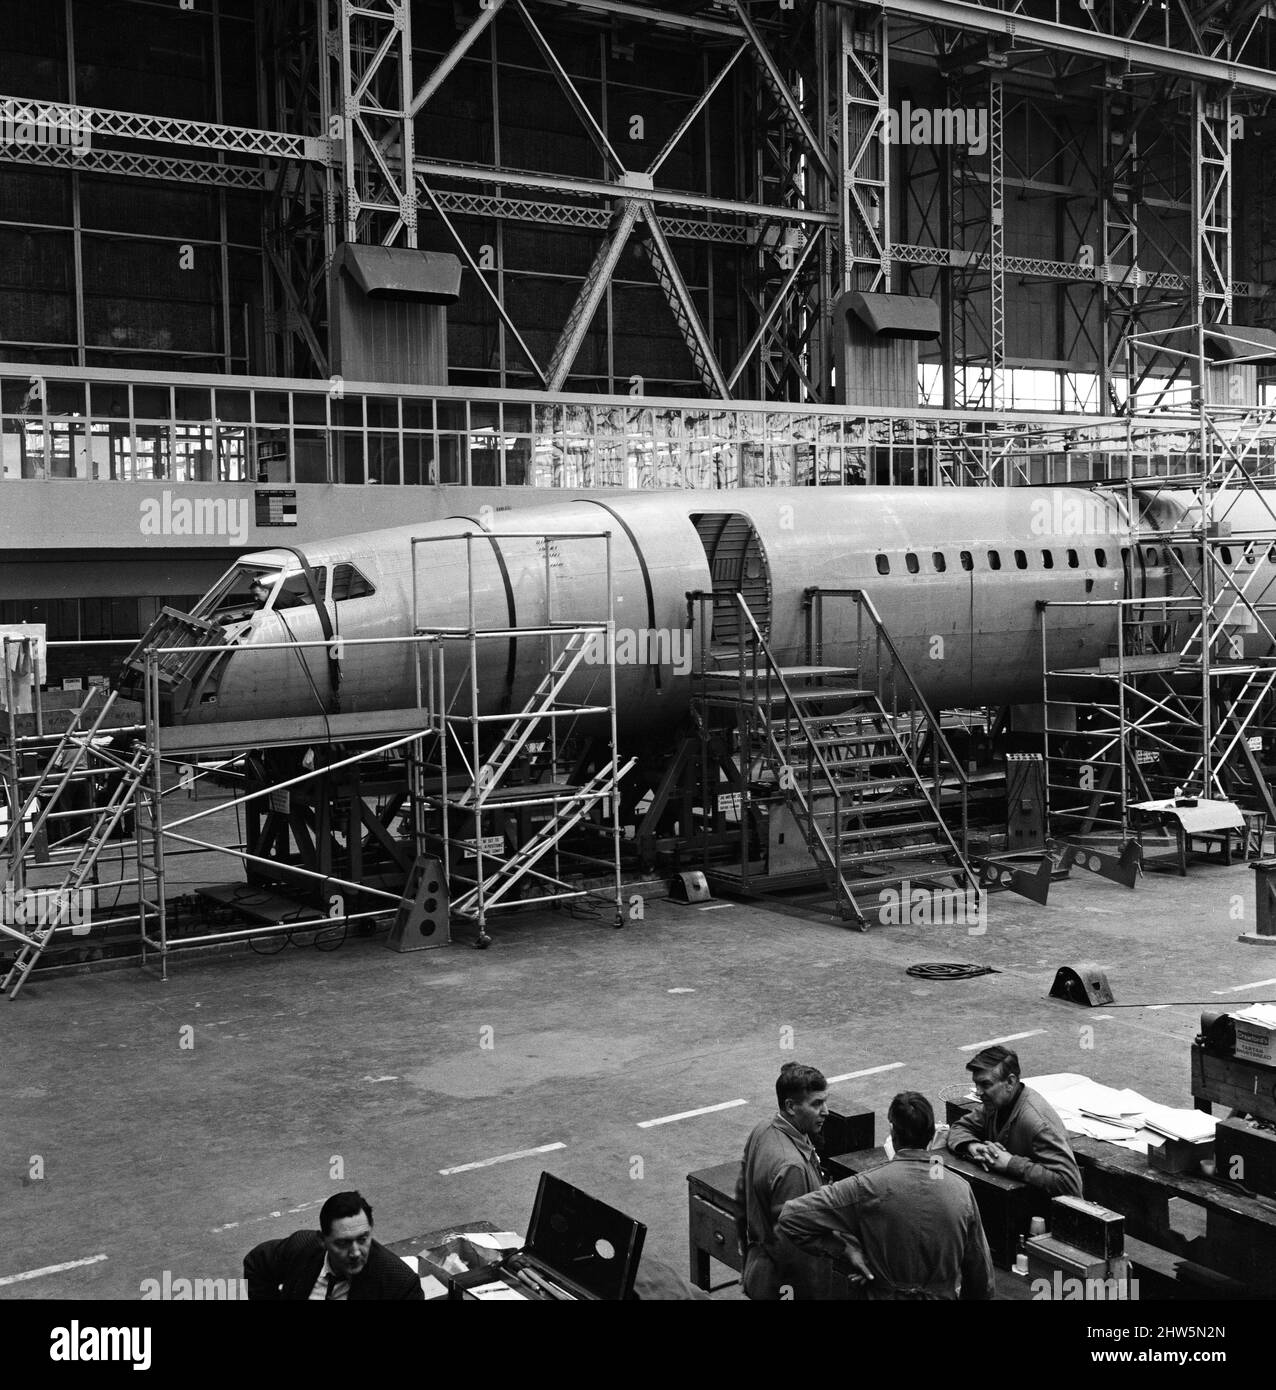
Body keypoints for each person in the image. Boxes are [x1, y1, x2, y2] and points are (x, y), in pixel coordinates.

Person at [777, 1091, 993, 1300]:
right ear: (933, 1135)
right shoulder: (960, 1190)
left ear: (892, 1132)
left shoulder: (865, 1186)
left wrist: (847, 1250)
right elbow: (981, 1278)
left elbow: (791, 1216)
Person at [735, 1062, 830, 1299]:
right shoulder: (792, 1168)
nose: (826, 1111)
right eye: (816, 1104)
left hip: (759, 1269)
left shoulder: (762, 1129)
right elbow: (794, 1246)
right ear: (790, 1106)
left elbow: (741, 1195)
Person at [946, 1045, 1083, 1196]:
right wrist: (972, 1146)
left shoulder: (1037, 1122)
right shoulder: (995, 1104)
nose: (978, 1092)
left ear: (1010, 1082)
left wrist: (1011, 1164)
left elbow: (1070, 1185)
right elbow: (959, 1128)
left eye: (985, 1084)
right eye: (976, 1084)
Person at [243, 1190, 424, 1300]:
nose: (354, 1253)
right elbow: (256, 1263)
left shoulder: (399, 1284)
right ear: (322, 1240)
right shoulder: (301, 1247)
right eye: (343, 1243)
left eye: (362, 1239)